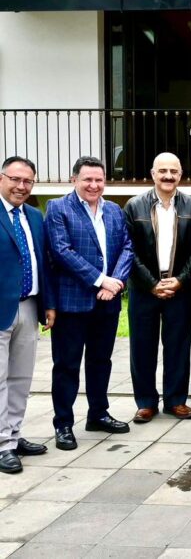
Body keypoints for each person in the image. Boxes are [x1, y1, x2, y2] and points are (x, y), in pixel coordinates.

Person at [46, 156, 134, 450]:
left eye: (99, 180)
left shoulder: (114, 210)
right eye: (87, 179)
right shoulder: (58, 208)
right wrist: (101, 279)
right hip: (72, 303)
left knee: (100, 362)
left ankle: (98, 414)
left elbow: (127, 247)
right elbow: (62, 251)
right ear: (74, 180)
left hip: (107, 303)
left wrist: (117, 282)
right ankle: (63, 425)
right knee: (67, 366)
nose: (94, 185)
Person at [123, 152, 191, 424]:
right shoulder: (134, 206)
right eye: (163, 171)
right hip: (145, 289)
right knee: (142, 347)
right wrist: (153, 284)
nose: (168, 176)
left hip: (181, 288)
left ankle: (176, 400)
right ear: (153, 173)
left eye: (174, 171)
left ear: (181, 174)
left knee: (178, 345)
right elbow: (127, 250)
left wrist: (180, 280)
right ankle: (145, 402)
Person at [0, 156, 54, 473]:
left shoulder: (34, 215)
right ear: (1, 178)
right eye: (15, 179)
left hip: (29, 305)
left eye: (27, 181)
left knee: (21, 378)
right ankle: (2, 444)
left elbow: (42, 262)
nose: (21, 186)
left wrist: (48, 304)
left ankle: (14, 435)